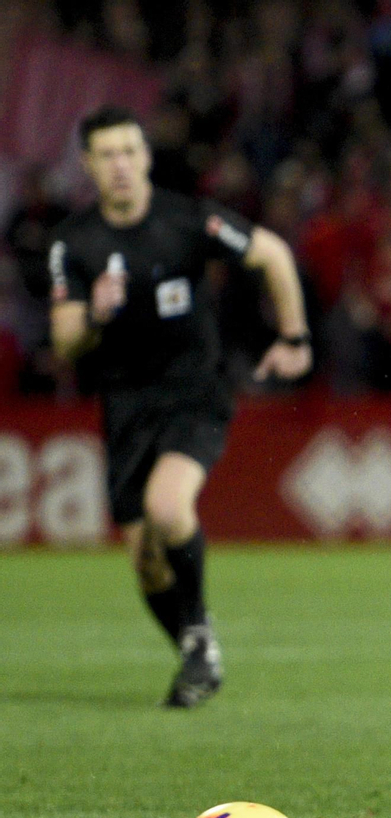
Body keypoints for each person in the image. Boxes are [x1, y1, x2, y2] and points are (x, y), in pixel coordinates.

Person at [48, 105, 312, 707]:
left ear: (145, 156)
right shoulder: (74, 242)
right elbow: (65, 341)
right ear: (88, 165)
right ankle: (199, 653)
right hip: (125, 406)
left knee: (167, 507)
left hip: (194, 392)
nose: (120, 165)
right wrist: (96, 315)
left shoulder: (187, 219)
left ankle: (197, 636)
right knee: (146, 564)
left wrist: (294, 337)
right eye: (107, 155)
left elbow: (272, 254)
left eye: (129, 151)